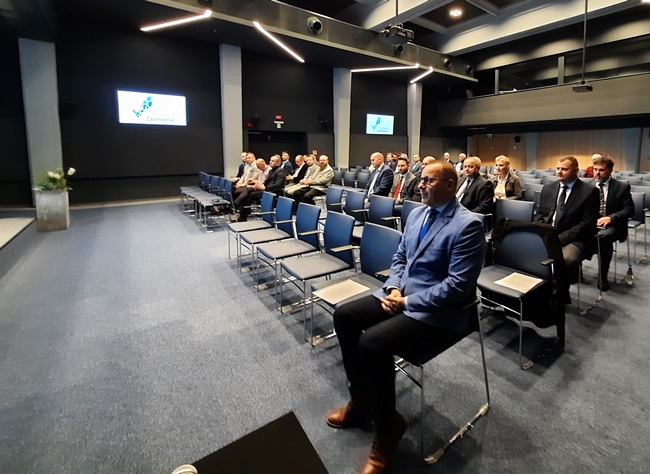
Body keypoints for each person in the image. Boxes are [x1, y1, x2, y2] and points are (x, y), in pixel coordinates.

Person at [327, 161, 486, 474]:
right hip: (401, 295)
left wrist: (408, 301)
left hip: (439, 312)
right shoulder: (416, 214)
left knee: (372, 343)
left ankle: (388, 427)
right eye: (422, 180)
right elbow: (400, 257)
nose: (421, 185)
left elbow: (457, 287)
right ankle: (361, 400)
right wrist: (394, 288)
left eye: (429, 180)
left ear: (450, 185)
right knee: (345, 315)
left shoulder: (468, 225)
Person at [534, 156, 600, 269]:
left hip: (576, 238)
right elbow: (539, 213)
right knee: (524, 249)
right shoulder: (548, 188)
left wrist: (558, 239)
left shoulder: (589, 192)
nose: (559, 172)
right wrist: (544, 233)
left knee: (566, 260)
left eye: (564, 169)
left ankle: (561, 286)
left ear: (576, 171)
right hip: (549, 233)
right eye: (558, 168)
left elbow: (586, 224)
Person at [592, 156, 635, 290]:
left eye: (601, 170)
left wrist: (611, 217)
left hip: (613, 225)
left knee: (604, 238)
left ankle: (602, 276)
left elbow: (629, 210)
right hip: (590, 223)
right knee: (576, 232)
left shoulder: (621, 187)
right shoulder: (586, 186)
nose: (597, 173)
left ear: (610, 170)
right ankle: (576, 271)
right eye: (595, 169)